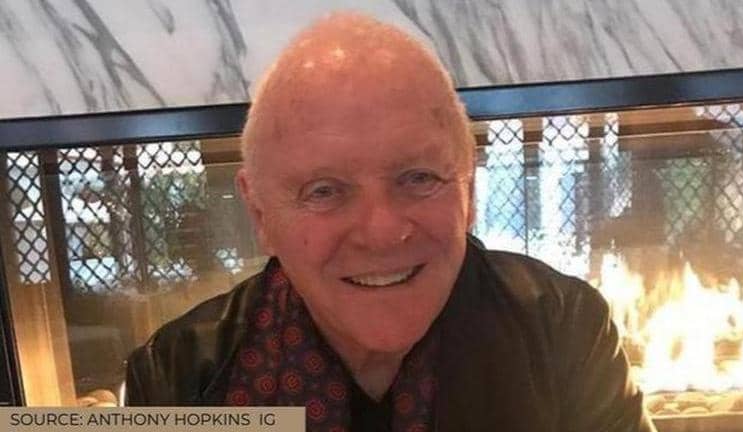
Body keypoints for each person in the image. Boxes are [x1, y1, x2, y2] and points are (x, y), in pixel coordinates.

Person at [126, 11, 656, 432]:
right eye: (324, 191)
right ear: (260, 213)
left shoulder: (563, 328)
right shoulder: (177, 374)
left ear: (468, 187)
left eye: (418, 178)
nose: (382, 232)